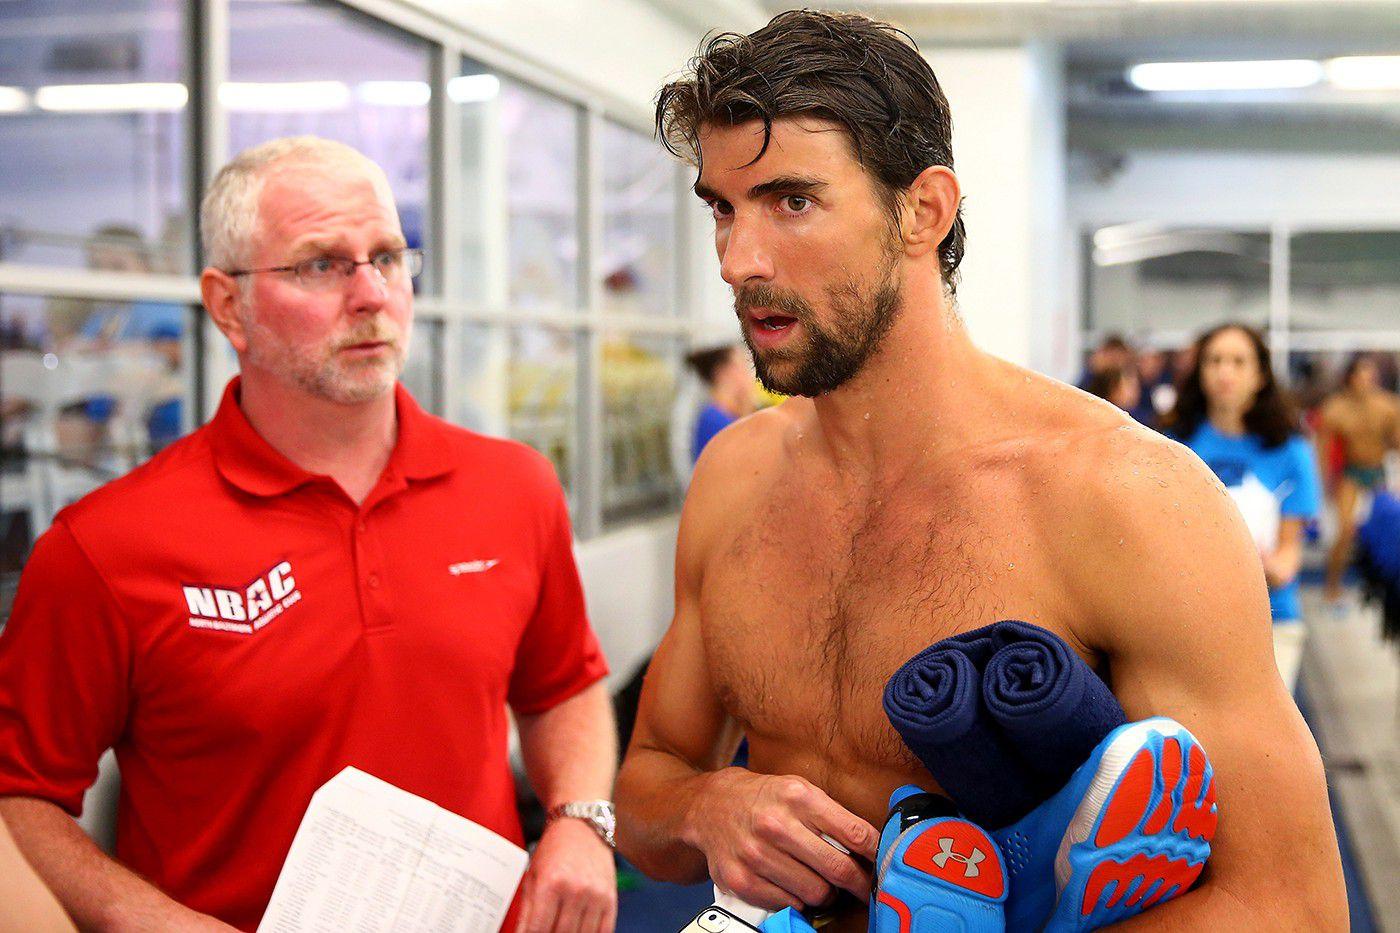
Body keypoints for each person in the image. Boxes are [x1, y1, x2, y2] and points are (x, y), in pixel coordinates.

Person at [614, 11, 1346, 931]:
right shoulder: (735, 477)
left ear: (923, 211)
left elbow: (1292, 904)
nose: (737, 260)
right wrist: (707, 804)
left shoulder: (1126, 497)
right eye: (723, 208)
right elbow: (645, 795)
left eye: (791, 201)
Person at [0, 136, 617, 932]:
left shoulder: (513, 487)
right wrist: (148, 918)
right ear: (229, 305)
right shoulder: (105, 547)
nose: (371, 294)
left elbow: (561, 684)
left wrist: (579, 820)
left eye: (387, 257)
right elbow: (19, 797)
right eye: (321, 264)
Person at [1162, 323, 1323, 689]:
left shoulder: (1291, 451)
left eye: (1238, 361)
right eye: (1215, 360)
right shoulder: (1171, 445)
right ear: (1200, 371)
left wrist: (1260, 566)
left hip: (1270, 622)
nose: (1225, 372)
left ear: (1260, 375)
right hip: (1188, 622)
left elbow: (1288, 556)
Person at [1318, 353, 1400, 602]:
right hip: (1351, 474)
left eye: (1369, 377)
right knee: (1345, 531)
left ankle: (1387, 584)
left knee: (1388, 529)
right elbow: (1323, 452)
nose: (1365, 382)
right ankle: (1332, 586)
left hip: (1378, 472)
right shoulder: (1336, 408)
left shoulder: (1387, 406)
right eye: (1360, 377)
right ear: (1350, 379)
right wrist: (1326, 484)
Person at [685, 343, 756, 462]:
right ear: (724, 372)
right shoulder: (715, 421)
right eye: (743, 365)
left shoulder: (726, 415)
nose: (750, 374)